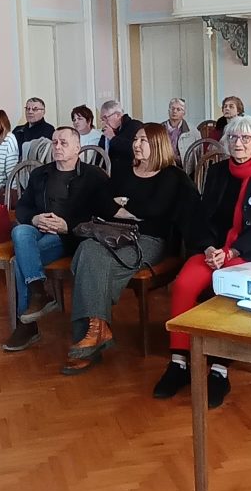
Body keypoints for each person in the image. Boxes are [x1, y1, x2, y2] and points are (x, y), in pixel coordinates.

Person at [152, 115, 251, 408]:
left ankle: (219, 369)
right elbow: (202, 216)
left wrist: (232, 252)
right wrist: (209, 248)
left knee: (225, 290)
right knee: (184, 285)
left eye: (245, 138)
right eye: (233, 138)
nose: (238, 143)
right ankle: (179, 362)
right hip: (213, 251)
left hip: (249, 253)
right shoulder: (217, 172)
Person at [63, 123, 197, 375]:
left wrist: (123, 208)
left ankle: (90, 338)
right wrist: (127, 211)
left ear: (157, 144)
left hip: (150, 241)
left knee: (88, 256)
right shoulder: (124, 170)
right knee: (88, 249)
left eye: (143, 140)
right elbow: (101, 202)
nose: (136, 144)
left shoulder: (172, 176)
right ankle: (96, 330)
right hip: (115, 234)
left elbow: (155, 209)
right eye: (136, 139)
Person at [5, 127, 111, 352]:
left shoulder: (94, 176)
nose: (57, 147)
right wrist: (34, 218)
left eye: (63, 143)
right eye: (54, 143)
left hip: (70, 237)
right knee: (20, 231)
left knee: (18, 261)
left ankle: (27, 326)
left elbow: (102, 215)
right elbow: (22, 206)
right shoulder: (40, 174)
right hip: (39, 229)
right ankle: (38, 290)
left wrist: (67, 225)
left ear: (77, 147)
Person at [98, 99, 143, 174]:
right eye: (102, 119)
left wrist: (112, 138)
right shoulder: (107, 132)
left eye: (105, 118)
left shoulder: (134, 126)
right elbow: (100, 156)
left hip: (130, 172)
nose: (104, 122)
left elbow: (133, 149)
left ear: (118, 115)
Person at [163, 97, 202, 167]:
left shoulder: (193, 131)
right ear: (168, 111)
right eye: (172, 108)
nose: (174, 111)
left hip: (185, 169)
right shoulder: (160, 129)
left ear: (184, 113)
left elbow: (199, 154)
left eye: (178, 109)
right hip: (163, 166)